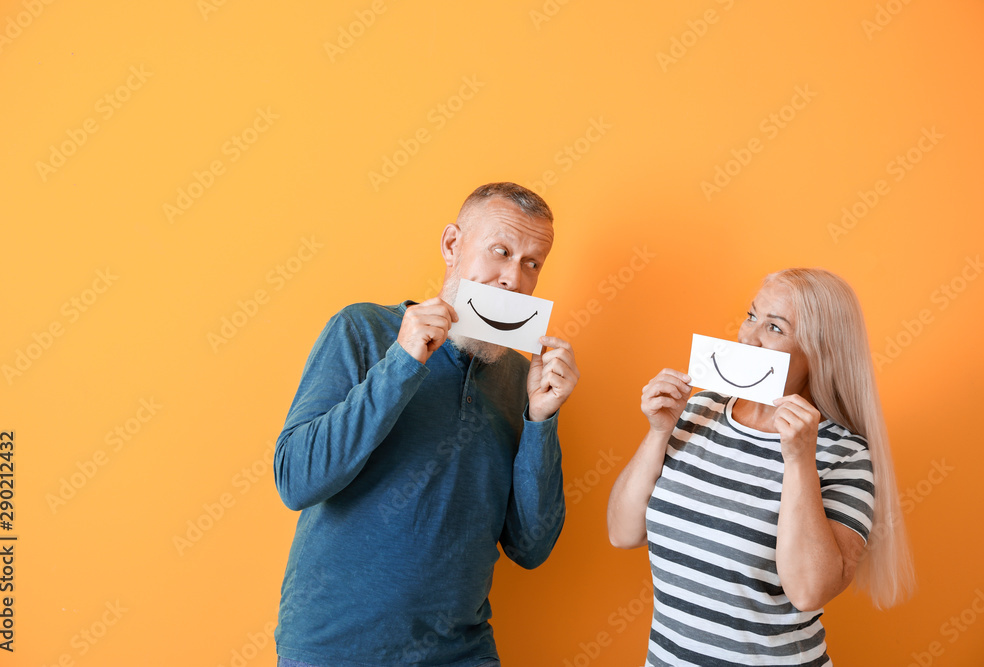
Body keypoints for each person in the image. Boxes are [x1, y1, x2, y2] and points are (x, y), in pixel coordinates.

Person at [273, 182, 579, 667]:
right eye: (500, 251)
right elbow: (296, 481)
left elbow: (532, 547)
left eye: (532, 263)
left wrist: (542, 421)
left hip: (462, 651)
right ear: (453, 245)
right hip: (334, 649)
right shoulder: (363, 330)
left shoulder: (523, 380)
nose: (513, 279)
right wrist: (401, 363)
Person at [607, 268, 914, 666]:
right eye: (751, 316)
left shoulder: (844, 453)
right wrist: (658, 432)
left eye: (774, 327)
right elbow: (623, 532)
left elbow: (808, 591)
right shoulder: (701, 410)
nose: (747, 336)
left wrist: (799, 457)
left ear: (819, 352)